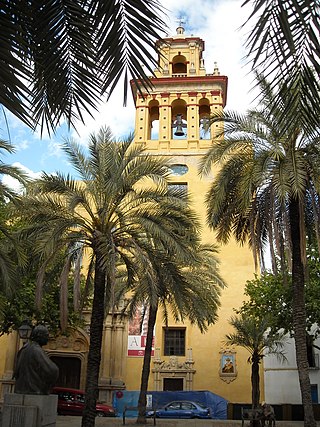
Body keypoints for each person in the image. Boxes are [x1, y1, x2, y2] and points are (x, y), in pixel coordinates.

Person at [14, 325, 59, 395]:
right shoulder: (36, 350)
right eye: (46, 335)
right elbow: (52, 370)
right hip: (33, 389)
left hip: (21, 388)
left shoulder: (24, 348)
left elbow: (16, 370)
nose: (48, 338)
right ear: (39, 335)